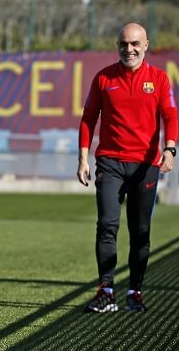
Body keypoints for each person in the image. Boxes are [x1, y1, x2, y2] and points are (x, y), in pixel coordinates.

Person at [77, 22, 177, 313]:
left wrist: (170, 148)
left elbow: (170, 114)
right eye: (123, 44)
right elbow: (87, 119)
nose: (129, 49)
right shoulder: (103, 78)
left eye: (135, 44)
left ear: (146, 45)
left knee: (141, 231)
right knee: (107, 225)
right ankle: (106, 291)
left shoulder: (158, 79)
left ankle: (135, 291)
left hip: (146, 166)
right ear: (117, 45)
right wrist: (83, 158)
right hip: (109, 162)